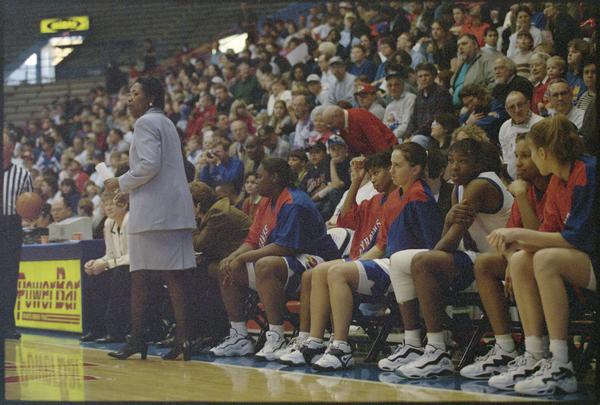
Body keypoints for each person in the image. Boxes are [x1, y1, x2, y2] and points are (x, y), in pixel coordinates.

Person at [305, 144, 444, 371]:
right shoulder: (394, 197)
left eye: (397, 166)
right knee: (323, 271)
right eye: (391, 165)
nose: (392, 170)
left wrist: (352, 266)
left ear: (415, 169)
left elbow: (433, 245)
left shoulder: (419, 195)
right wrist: (356, 263)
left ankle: (341, 348)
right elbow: (380, 245)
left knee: (338, 273)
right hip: (390, 264)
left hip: (410, 268)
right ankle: (314, 342)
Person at [486, 116, 596, 396]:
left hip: (589, 258)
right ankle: (535, 354)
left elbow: (573, 240)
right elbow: (546, 234)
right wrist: (516, 246)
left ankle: (561, 365)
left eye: (531, 152)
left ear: (543, 153)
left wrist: (516, 234)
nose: (529, 159)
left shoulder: (588, 172)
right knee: (521, 259)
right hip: (584, 262)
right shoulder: (558, 180)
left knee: (546, 259)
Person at [389, 139, 513, 378]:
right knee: (398, 260)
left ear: (478, 163)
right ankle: (413, 344)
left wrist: (434, 253)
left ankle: (437, 349)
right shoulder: (459, 187)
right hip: (482, 258)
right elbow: (451, 239)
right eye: (451, 161)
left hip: (504, 260)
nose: (454, 167)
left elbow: (447, 243)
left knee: (423, 262)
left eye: (462, 161)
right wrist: (447, 220)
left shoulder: (480, 184)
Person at [209, 158, 339, 361]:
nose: (256, 181)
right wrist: (233, 257)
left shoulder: (293, 202)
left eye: (260, 177)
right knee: (226, 268)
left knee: (265, 265)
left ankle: (277, 337)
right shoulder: (267, 201)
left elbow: (285, 247)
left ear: (275, 178)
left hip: (317, 259)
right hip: (290, 260)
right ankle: (239, 336)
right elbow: (252, 240)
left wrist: (243, 257)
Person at [104, 77, 196, 361]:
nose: (129, 99)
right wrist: (130, 193)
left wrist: (120, 183)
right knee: (176, 277)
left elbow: (149, 166)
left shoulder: (145, 123)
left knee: (140, 277)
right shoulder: (167, 123)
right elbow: (165, 169)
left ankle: (137, 340)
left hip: (154, 216)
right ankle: (184, 340)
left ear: (151, 98)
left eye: (135, 94)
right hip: (175, 210)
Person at [460, 133, 549, 380]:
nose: (518, 163)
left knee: (520, 262)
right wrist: (511, 259)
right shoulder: (526, 186)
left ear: (543, 155)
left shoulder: (546, 187)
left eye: (526, 156)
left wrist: (521, 197)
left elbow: (538, 236)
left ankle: (539, 351)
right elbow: (508, 240)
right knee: (485, 264)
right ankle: (505, 347)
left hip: (550, 258)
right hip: (525, 257)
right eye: (516, 155)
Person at [188, 181, 252, 352]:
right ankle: (205, 332)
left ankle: (211, 332)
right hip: (234, 260)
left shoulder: (218, 213)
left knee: (197, 272)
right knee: (197, 269)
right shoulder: (215, 211)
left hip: (247, 263)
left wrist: (190, 221)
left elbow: (199, 244)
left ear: (197, 204)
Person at [82, 190, 131, 343]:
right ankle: (96, 329)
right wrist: (96, 262)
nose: (108, 207)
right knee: (94, 275)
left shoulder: (130, 220)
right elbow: (110, 254)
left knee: (119, 274)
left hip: (137, 268)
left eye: (112, 204)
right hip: (119, 266)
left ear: (124, 205)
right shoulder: (108, 223)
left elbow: (133, 256)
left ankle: (116, 331)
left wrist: (106, 264)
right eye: (106, 204)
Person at [1, 131, 33, 339]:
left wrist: (29, 212)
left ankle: (7, 325)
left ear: (11, 148)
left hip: (10, 225)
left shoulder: (23, 174)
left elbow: (30, 206)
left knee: (9, 277)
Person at [498, 91, 543, 180]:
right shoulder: (504, 127)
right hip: (513, 180)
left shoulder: (541, 124)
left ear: (528, 104)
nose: (517, 110)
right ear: (507, 110)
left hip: (537, 178)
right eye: (512, 107)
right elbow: (506, 159)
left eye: (520, 105)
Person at [321, 105, 397, 156]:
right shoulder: (342, 126)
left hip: (389, 151)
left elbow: (378, 141)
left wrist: (383, 164)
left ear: (337, 116)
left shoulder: (359, 116)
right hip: (373, 157)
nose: (330, 127)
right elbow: (353, 150)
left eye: (330, 123)